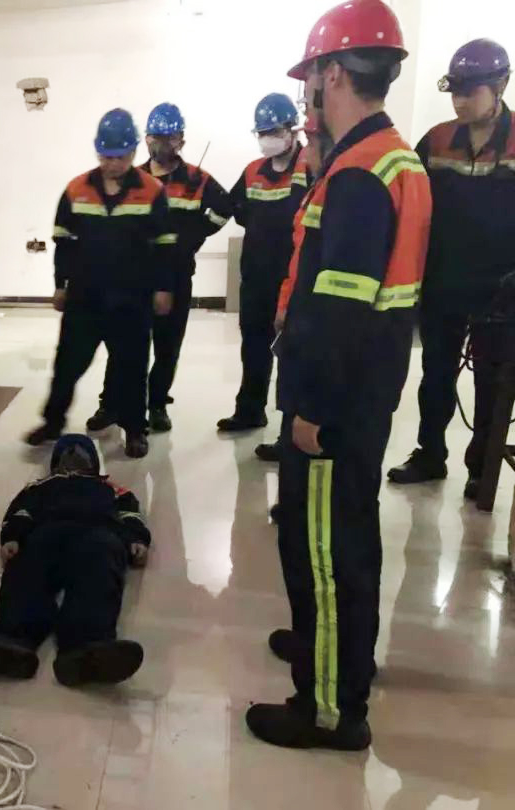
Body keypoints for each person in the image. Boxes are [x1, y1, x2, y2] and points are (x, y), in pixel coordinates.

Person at [247, 0, 432, 750]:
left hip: (335, 400)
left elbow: (342, 308)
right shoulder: (394, 157)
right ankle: (337, 651)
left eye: (312, 77)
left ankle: (327, 708)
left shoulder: (358, 174)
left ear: (332, 73)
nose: (307, 93)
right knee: (348, 536)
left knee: (322, 551)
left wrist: (311, 410)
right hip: (369, 390)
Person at [387, 39, 515, 500]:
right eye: (455, 91)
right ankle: (430, 454)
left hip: (501, 290)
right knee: (436, 373)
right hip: (443, 281)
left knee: (491, 382)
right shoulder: (438, 140)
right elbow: (414, 205)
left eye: (470, 91)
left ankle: (482, 468)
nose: (460, 101)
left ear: (501, 85)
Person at [25, 109, 177, 458]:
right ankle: (52, 422)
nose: (113, 164)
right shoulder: (77, 189)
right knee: (67, 365)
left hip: (132, 298)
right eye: (107, 157)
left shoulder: (151, 191)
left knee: (132, 368)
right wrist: (60, 284)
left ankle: (135, 430)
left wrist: (163, 288)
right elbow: (63, 240)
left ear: (134, 152)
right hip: (86, 297)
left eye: (120, 157)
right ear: (98, 152)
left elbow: (165, 244)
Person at [0, 435, 149, 687]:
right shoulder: (38, 487)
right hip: (46, 531)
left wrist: (136, 539)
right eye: (67, 452)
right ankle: (11, 638)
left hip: (99, 532)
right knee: (27, 570)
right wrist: (13, 536)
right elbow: (20, 512)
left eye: (81, 452)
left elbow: (130, 515)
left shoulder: (113, 488)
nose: (74, 457)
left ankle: (87, 645)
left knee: (98, 574)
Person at [87, 102, 233, 434]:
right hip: (133, 279)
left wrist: (192, 236)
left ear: (180, 140)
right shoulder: (132, 178)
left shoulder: (197, 180)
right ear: (146, 139)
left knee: (167, 347)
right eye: (155, 137)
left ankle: (156, 405)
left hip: (176, 277)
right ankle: (110, 404)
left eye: (168, 138)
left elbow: (226, 208)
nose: (161, 144)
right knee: (123, 346)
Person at [218, 94, 310, 433]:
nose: (268, 139)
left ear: (292, 130)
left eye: (274, 131)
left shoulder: (310, 167)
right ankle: (250, 410)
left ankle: (290, 430)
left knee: (293, 355)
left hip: (294, 279)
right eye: (263, 133)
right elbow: (236, 210)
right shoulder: (253, 171)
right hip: (256, 278)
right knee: (254, 347)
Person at [256, 111, 332, 466]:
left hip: (322, 308)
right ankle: (288, 440)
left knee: (309, 384)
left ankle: (302, 447)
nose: (307, 153)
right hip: (297, 296)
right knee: (290, 376)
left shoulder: (341, 190)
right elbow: (299, 252)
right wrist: (286, 302)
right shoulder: (317, 190)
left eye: (312, 144)